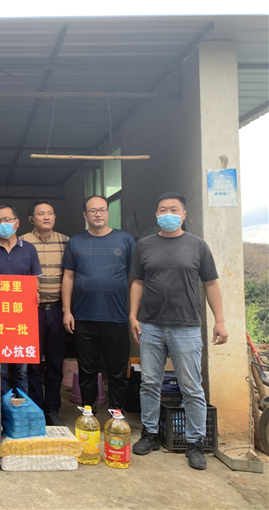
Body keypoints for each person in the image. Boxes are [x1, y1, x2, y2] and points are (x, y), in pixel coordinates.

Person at [130, 192, 228, 470]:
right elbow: (137, 282)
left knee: (191, 387)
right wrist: (133, 316)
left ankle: (195, 442)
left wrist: (220, 320)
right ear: (156, 214)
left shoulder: (197, 245)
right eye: (163, 209)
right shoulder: (144, 245)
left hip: (186, 326)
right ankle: (150, 434)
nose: (168, 214)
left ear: (184, 215)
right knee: (150, 382)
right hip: (151, 324)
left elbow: (211, 283)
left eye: (174, 209)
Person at [62, 195, 135, 413]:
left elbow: (134, 279)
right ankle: (88, 414)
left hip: (116, 316)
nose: (98, 214)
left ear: (108, 212)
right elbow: (68, 277)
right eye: (93, 210)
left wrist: (131, 311)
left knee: (117, 370)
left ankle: (117, 415)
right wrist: (67, 311)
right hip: (83, 316)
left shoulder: (125, 239)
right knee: (87, 371)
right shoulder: (75, 241)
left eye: (102, 209)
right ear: (85, 215)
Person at [0, 205, 42, 396]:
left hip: (22, 320)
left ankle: (20, 410)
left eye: (6, 220)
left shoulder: (29, 249)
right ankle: (0, 410)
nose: (1, 225)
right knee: (0, 370)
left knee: (21, 371)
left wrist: (35, 293)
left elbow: (34, 280)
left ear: (17, 223)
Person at [20, 200, 69, 426]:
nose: (46, 217)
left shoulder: (66, 242)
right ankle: (35, 406)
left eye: (50, 213)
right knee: (32, 362)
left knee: (55, 362)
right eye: (41, 214)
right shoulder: (22, 243)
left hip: (57, 310)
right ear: (32, 219)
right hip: (32, 311)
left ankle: (52, 409)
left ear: (55, 217)